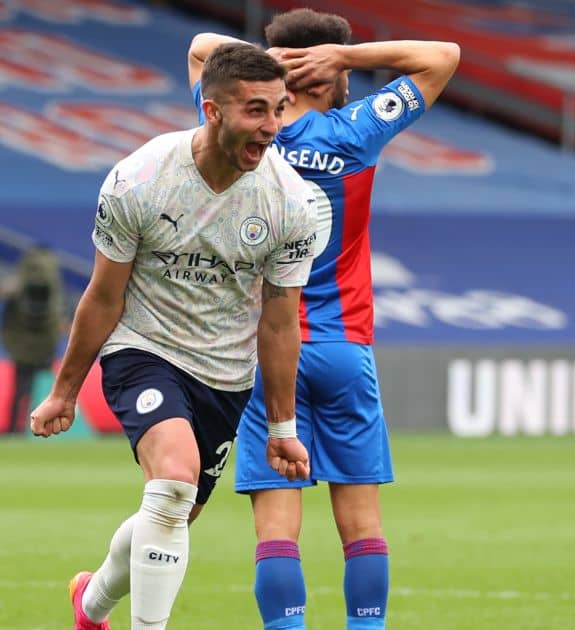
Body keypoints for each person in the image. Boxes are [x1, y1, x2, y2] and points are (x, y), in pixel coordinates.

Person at [30, 43, 317, 630]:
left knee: (171, 514)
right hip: (144, 348)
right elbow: (104, 296)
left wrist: (283, 426)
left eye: (280, 110)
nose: (272, 127)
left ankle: (90, 602)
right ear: (212, 111)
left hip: (225, 374)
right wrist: (64, 391)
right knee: (174, 481)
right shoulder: (140, 180)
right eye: (256, 111)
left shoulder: (292, 202)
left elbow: (280, 320)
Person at [189, 10, 460, 630]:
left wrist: (272, 63)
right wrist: (346, 57)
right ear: (329, 74)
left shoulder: (246, 132)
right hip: (344, 346)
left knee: (277, 528)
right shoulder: (355, 129)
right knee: (362, 523)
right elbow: (442, 55)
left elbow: (202, 47)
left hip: (260, 352)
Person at [0, 245, 66, 433]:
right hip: (44, 346)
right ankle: (45, 427)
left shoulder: (16, 284)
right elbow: (58, 317)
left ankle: (13, 430)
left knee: (21, 390)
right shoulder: (54, 289)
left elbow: (4, 311)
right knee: (46, 391)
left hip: (22, 347)